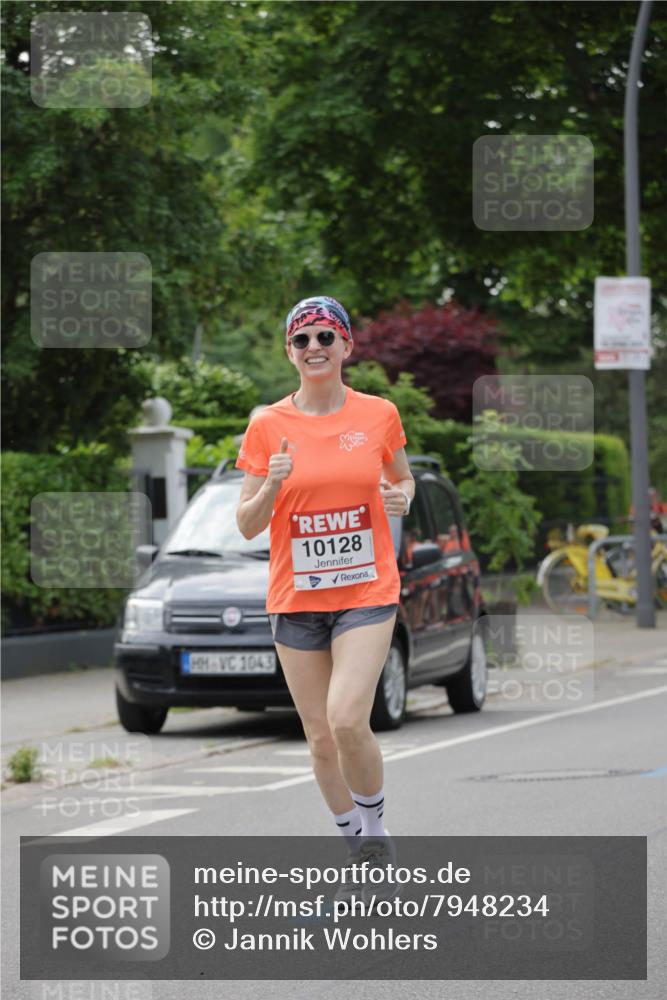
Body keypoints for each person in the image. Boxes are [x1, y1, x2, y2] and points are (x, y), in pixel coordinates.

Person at [235, 295, 415, 899]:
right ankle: (355, 843)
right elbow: (247, 523)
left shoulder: (379, 414)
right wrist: (273, 486)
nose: (314, 348)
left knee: (346, 719)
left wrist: (403, 498)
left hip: (367, 589)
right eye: (302, 340)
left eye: (325, 338)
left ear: (346, 347)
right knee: (317, 736)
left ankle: (377, 829)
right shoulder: (268, 425)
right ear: (290, 351)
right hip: (296, 598)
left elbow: (402, 476)